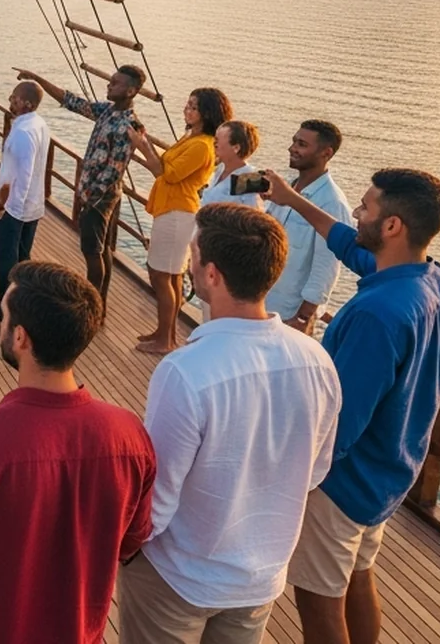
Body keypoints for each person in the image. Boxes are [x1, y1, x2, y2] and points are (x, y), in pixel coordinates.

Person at [119, 204, 341, 644]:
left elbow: (157, 499)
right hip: (258, 579)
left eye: (194, 253)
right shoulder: (317, 361)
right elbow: (315, 471)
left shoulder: (186, 372)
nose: (190, 261)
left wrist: (123, 552)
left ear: (212, 274)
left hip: (178, 578)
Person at [262, 168, 440, 644]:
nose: (356, 211)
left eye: (367, 207)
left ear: (392, 226)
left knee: (318, 599)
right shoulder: (434, 282)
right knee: (357, 575)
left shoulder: (377, 314)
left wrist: (291, 477)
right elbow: (348, 243)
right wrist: (294, 200)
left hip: (343, 483)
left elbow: (341, 424)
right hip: (390, 471)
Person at [0, 261, 156, 644]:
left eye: (4, 315)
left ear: (21, 338)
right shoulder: (129, 436)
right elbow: (131, 541)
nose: (1, 322)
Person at [15, 65, 144, 305]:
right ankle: (100, 303)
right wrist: (37, 78)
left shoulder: (130, 125)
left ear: (131, 91)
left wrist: (88, 199)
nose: (109, 85)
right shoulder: (107, 111)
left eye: (115, 83)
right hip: (96, 195)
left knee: (93, 252)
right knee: (102, 250)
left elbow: (114, 169)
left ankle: (92, 304)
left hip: (100, 198)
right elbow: (72, 101)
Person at [131, 88, 229, 355]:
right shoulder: (191, 137)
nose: (187, 109)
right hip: (171, 209)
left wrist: (141, 146)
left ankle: (166, 340)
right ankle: (165, 332)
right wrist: (145, 142)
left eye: (193, 107)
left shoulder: (201, 145)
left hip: (178, 213)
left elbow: (166, 174)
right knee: (169, 275)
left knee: (162, 276)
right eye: (187, 104)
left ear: (206, 113)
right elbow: (163, 166)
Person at [266, 120, 349, 333]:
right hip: (262, 300)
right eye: (294, 141)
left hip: (289, 312)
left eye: (302, 144)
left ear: (326, 153)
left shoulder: (331, 202)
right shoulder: (287, 188)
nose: (292, 148)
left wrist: (303, 316)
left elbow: (326, 265)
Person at [0, 78, 51, 329]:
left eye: (14, 98)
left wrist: (2, 204)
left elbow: (21, 174)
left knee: (5, 262)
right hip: (32, 206)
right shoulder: (39, 124)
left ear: (26, 103)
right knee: (23, 259)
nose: (10, 101)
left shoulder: (22, 133)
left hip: (14, 208)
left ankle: (4, 316)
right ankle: (21, 313)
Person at [199, 121, 262, 210]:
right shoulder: (221, 168)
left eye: (217, 140)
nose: (213, 143)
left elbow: (253, 215)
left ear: (236, 148)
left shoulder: (249, 178)